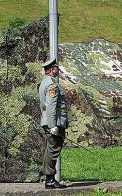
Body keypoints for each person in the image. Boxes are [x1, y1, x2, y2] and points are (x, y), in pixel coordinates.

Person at [38, 58, 68, 189]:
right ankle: (50, 180)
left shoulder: (44, 82)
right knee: (53, 150)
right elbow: (51, 106)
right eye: (56, 67)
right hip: (54, 121)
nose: (58, 69)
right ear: (51, 70)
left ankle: (49, 178)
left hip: (49, 120)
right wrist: (53, 125)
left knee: (49, 149)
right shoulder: (52, 85)